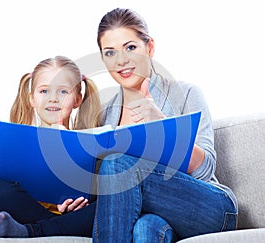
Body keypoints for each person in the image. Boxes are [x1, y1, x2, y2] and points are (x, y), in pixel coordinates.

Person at [93, 8, 238, 242]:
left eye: (131, 47)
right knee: (146, 228)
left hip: (207, 206)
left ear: (149, 48)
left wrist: (162, 126)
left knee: (117, 164)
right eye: (110, 52)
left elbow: (205, 169)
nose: (121, 60)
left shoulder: (186, 93)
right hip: (149, 215)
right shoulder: (105, 115)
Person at [0, 55, 101, 238]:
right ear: (32, 98)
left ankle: (31, 232)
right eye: (44, 91)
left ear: (77, 100)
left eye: (63, 92)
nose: (53, 99)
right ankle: (50, 229)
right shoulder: (19, 140)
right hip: (30, 212)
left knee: (110, 205)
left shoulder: (87, 142)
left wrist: (77, 206)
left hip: (73, 215)